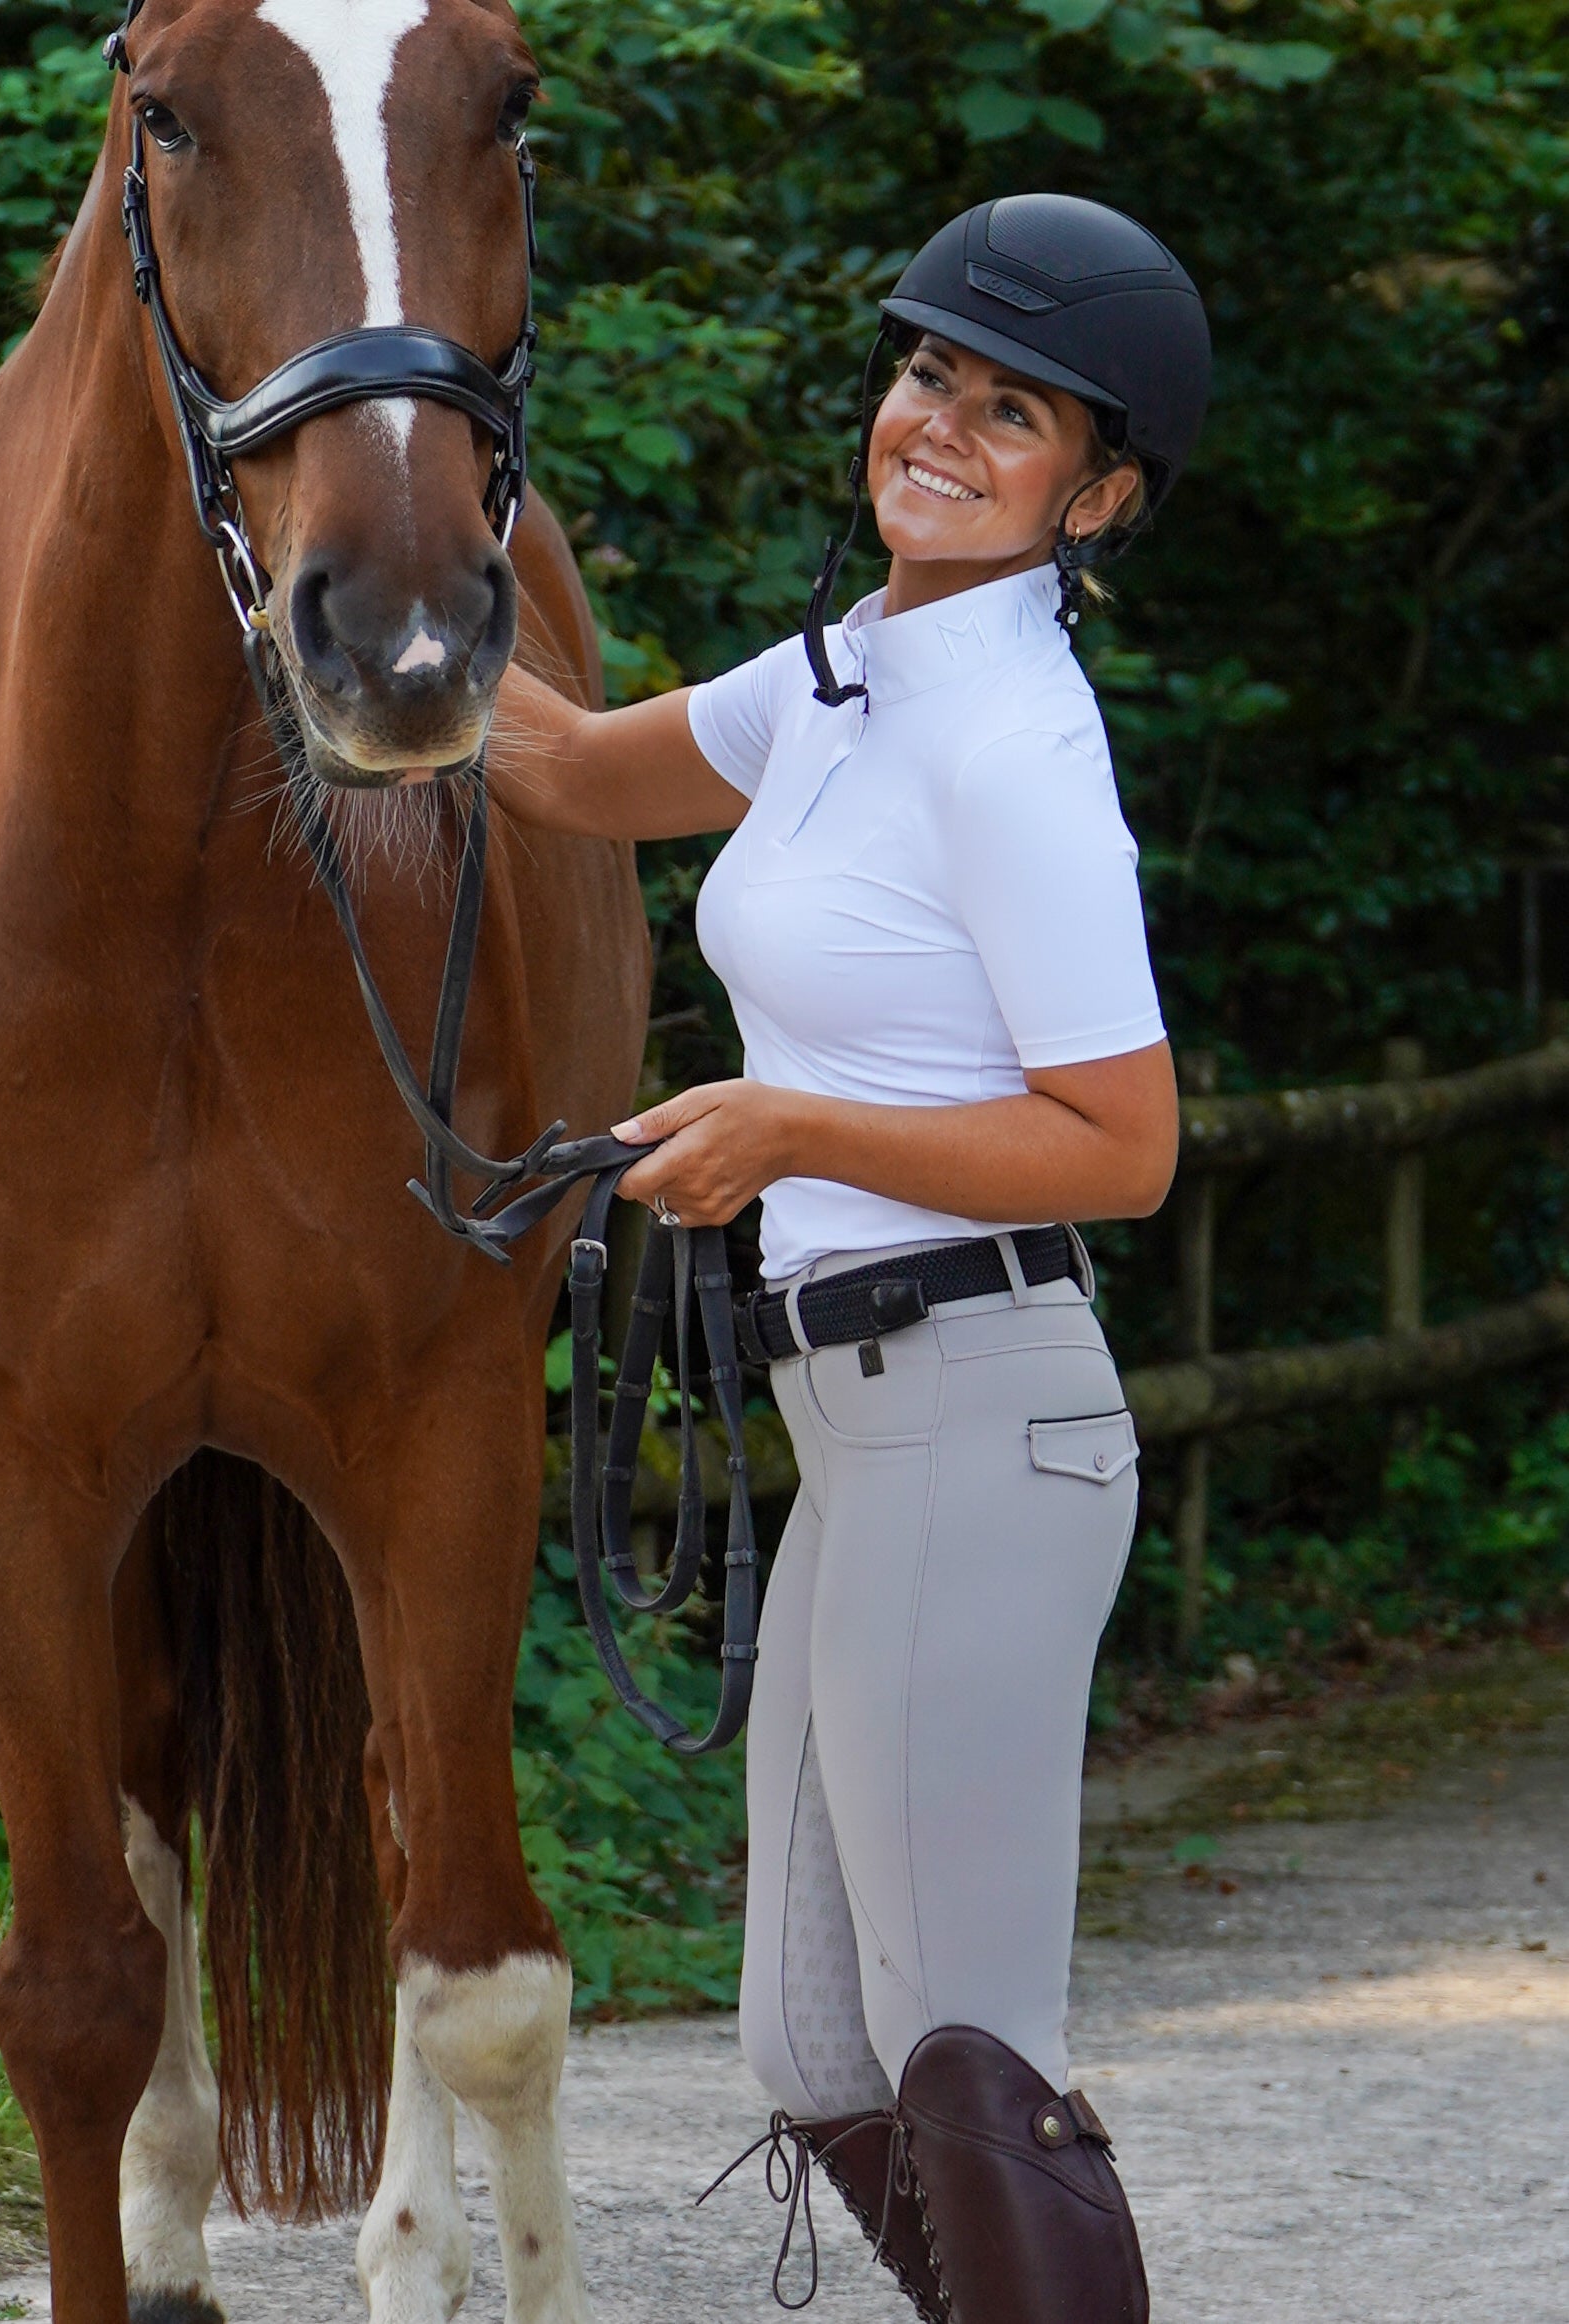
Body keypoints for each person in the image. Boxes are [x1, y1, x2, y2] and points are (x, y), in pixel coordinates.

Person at [481, 193, 1210, 2322]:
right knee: (817, 2047)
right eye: (926, 377)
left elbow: (1127, 1145)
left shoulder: (1014, 740)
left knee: (967, 2042)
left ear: (1097, 494)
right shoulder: (845, 677)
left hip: (986, 1423)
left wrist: (789, 1126)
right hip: (863, 1427)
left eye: (1011, 412)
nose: (941, 427)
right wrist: (343, 558)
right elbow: (567, 772)